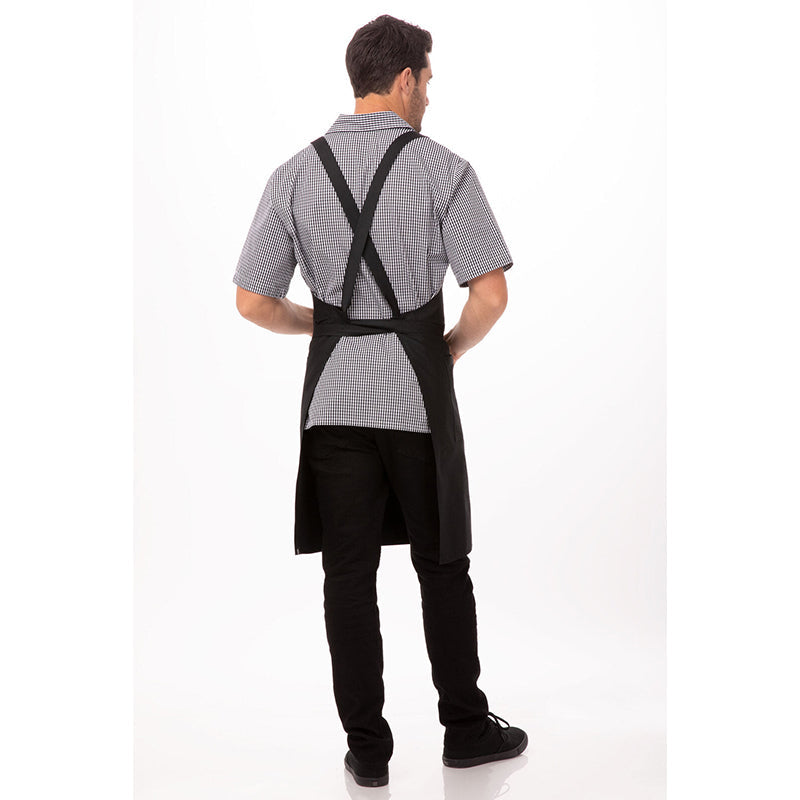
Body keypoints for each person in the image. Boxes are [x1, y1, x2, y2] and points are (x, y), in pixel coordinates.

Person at [232, 13, 527, 789]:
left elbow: (252, 301)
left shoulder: (293, 174)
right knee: (442, 564)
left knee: (347, 577)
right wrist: (448, 347)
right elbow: (491, 295)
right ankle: (465, 730)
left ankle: (367, 753)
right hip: (415, 398)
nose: (429, 95)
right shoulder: (444, 169)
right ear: (403, 80)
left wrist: (322, 324)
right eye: (427, 81)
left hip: (333, 400)